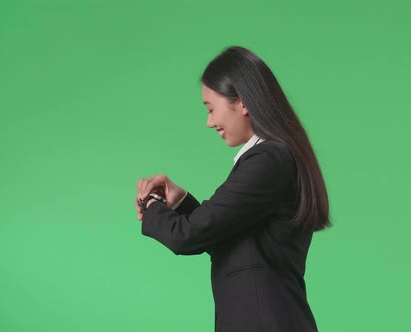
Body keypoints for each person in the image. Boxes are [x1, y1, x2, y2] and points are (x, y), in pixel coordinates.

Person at [135, 46, 331, 332]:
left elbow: (187, 236)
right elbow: (231, 239)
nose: (210, 122)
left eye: (211, 108)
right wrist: (180, 202)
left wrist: (151, 203)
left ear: (241, 102)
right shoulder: (273, 159)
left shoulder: (268, 159)